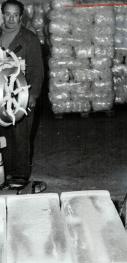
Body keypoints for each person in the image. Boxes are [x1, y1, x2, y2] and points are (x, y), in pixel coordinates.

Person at [0, 0, 44, 185]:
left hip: (21, 94)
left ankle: (20, 174)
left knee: (21, 134)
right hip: (0, 93)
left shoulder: (29, 39)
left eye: (15, 14)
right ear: (2, 14)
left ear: (20, 16)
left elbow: (38, 69)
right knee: (3, 134)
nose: (11, 18)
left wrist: (32, 95)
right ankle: (5, 170)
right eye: (7, 14)